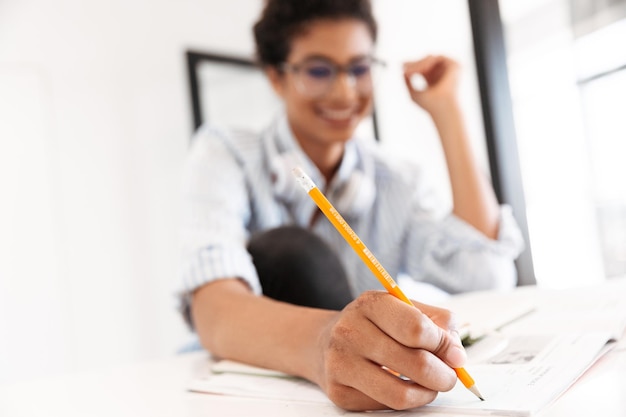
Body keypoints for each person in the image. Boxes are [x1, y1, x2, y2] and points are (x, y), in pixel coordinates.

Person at [178, 0, 524, 411]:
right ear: (276, 76)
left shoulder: (396, 178)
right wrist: (326, 341)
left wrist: (448, 113)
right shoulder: (225, 153)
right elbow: (214, 308)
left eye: (359, 68)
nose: (344, 91)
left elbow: (485, 274)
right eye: (318, 70)